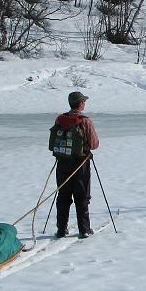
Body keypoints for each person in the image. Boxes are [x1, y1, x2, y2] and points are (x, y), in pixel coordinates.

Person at [52, 91, 100, 238]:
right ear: (80, 104)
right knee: (82, 197)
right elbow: (94, 144)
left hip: (62, 163)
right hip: (81, 164)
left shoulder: (60, 119)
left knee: (63, 196)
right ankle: (84, 229)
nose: (85, 103)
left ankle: (61, 229)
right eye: (84, 101)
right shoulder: (85, 121)